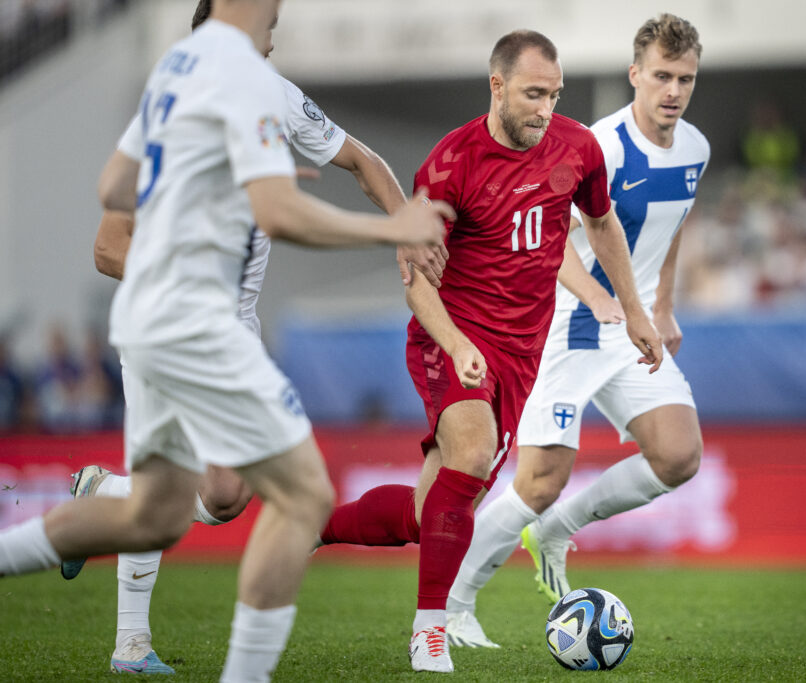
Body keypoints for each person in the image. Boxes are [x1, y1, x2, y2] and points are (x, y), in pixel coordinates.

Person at [0, 2, 450, 682]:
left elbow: (113, 185)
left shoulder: (181, 74)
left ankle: (120, 611)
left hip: (169, 321)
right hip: (197, 321)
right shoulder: (238, 77)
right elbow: (138, 239)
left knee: (164, 507)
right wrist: (389, 232)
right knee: (301, 491)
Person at [315, 29, 663, 673]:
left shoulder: (577, 147)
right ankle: (430, 630)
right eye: (533, 94)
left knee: (433, 517)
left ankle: (313, 524)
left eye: (554, 95)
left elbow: (601, 222)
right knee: (472, 453)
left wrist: (633, 310)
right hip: (448, 333)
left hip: (521, 354)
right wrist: (455, 344)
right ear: (497, 87)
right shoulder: (450, 164)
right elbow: (415, 275)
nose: (545, 109)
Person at [444, 14, 708, 649]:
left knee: (679, 456)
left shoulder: (696, 146)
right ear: (635, 75)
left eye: (686, 79)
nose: (673, 91)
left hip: (633, 324)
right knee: (539, 479)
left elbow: (670, 230)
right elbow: (552, 232)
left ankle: (559, 529)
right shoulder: (599, 145)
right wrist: (599, 296)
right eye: (662, 77)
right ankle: (451, 606)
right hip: (569, 323)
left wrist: (662, 306)